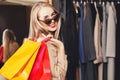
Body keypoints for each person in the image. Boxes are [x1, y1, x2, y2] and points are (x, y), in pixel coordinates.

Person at [28, 2, 68, 80]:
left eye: (54, 15)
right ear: (38, 22)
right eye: (47, 19)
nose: (52, 20)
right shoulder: (48, 44)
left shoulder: (34, 41)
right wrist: (60, 48)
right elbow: (59, 78)